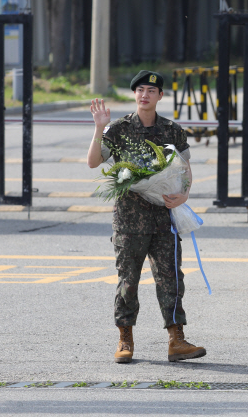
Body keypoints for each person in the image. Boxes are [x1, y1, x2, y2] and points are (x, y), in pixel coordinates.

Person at [86, 70, 206, 364]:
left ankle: (176, 339)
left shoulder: (172, 130)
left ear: (160, 96)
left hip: (164, 218)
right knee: (128, 280)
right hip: (130, 220)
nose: (145, 95)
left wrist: (184, 194)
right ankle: (125, 338)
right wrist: (99, 128)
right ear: (134, 94)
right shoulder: (118, 129)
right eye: (140, 90)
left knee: (172, 279)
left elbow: (184, 168)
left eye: (151, 90)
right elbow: (92, 162)